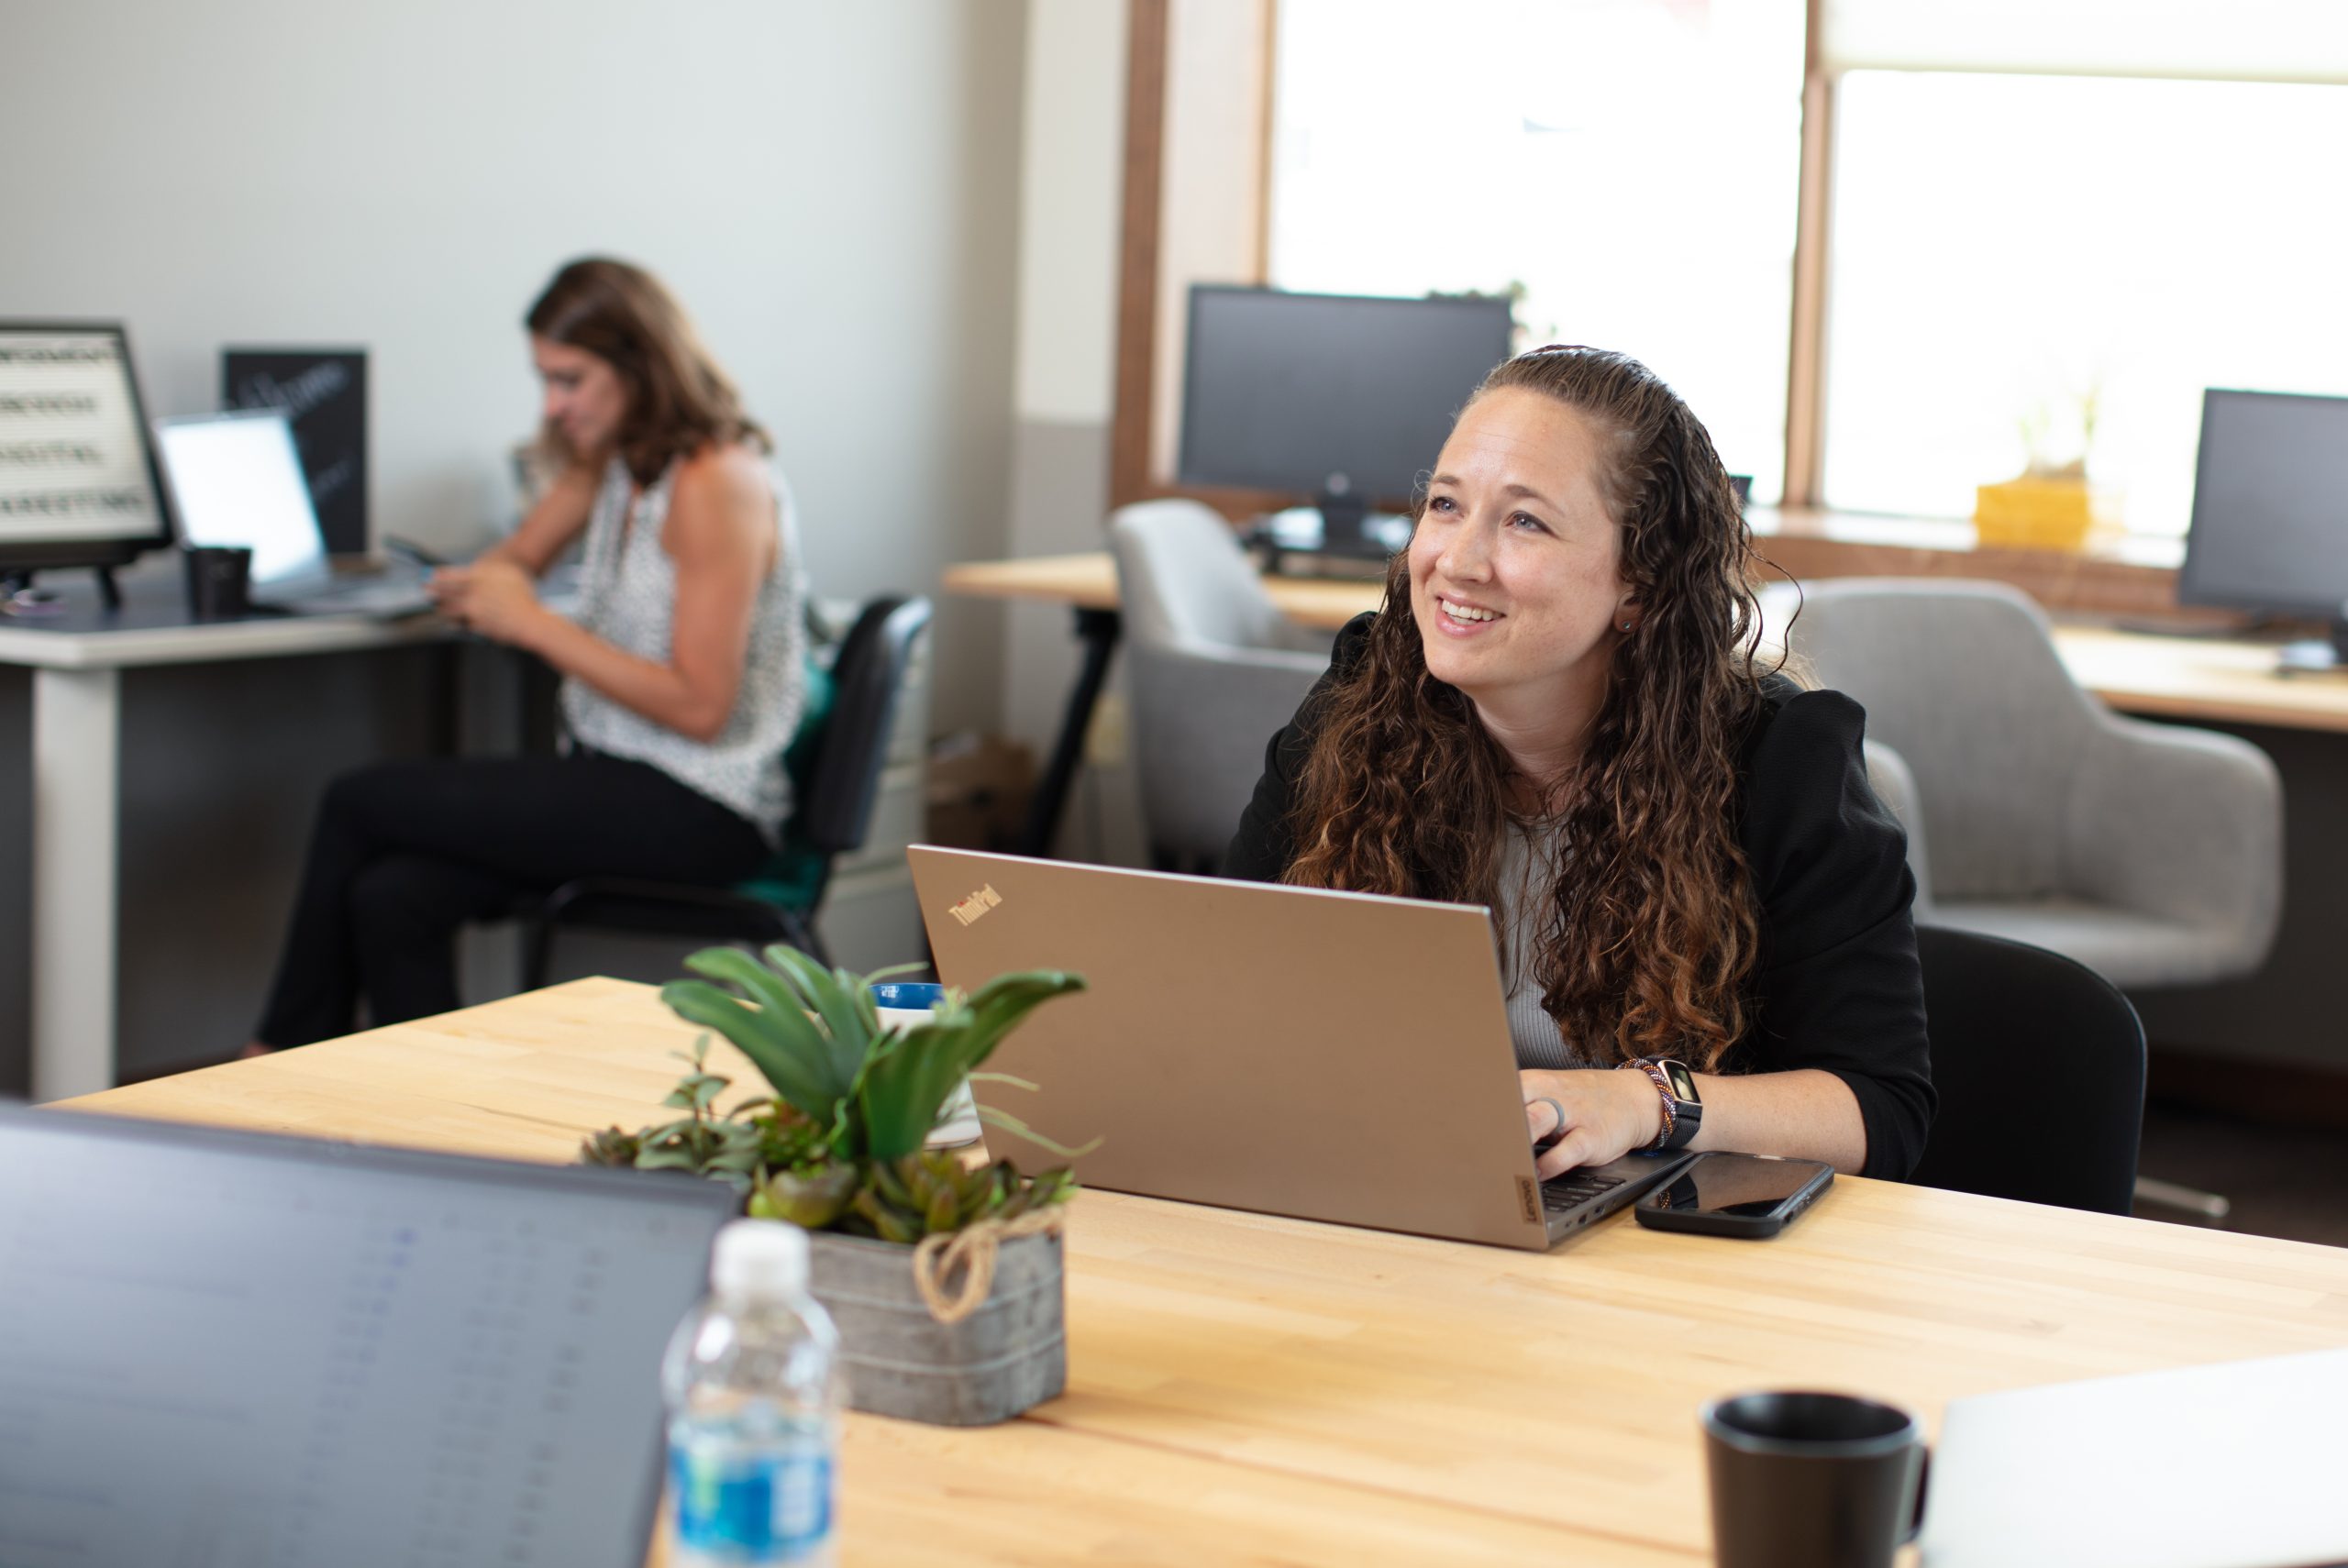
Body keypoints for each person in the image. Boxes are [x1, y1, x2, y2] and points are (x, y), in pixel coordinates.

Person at [1224, 346, 1932, 1181]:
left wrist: (1644, 1104)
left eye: (1525, 520)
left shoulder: (1783, 763)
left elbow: (1880, 1111)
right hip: (1405, 1199)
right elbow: (1224, 985)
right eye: (1446, 504)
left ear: (1638, 582)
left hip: (1666, 1248)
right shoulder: (1361, 699)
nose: (1457, 559)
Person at [248, 258, 809, 1050]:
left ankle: (271, 1055)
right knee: (391, 894)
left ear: (642, 366)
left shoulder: (719, 480)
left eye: (572, 380)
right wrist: (499, 581)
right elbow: (514, 562)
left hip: (702, 805)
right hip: (615, 775)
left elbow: (701, 708)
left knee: (358, 799)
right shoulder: (616, 461)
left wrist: (534, 624)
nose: (554, 403)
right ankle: (444, 1133)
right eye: (545, 379)